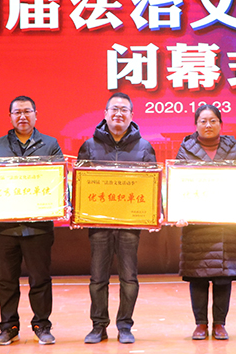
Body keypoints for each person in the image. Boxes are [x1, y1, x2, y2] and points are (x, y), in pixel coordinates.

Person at [0, 96, 63, 346]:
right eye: (17, 112)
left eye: (27, 111)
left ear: (36, 114)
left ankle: (42, 326)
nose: (22, 116)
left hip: (39, 228)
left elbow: (59, 181)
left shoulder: (50, 144)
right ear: (10, 116)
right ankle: (8, 327)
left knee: (40, 280)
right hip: (5, 229)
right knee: (6, 281)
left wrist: (61, 204)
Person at [77, 92, 157, 344]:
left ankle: (125, 326)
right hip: (98, 224)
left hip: (130, 224)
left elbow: (152, 186)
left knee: (129, 278)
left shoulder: (144, 147)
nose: (118, 114)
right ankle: (98, 326)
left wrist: (154, 213)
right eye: (114, 109)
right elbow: (80, 185)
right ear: (105, 114)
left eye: (124, 109)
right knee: (97, 278)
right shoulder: (89, 146)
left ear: (132, 115)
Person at [174, 104, 236, 341]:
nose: (208, 125)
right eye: (203, 121)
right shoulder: (185, 150)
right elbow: (178, 186)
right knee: (198, 275)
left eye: (213, 120)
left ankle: (220, 324)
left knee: (224, 276)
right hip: (196, 226)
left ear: (220, 124)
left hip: (226, 225)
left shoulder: (233, 149)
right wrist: (178, 213)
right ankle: (201, 324)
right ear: (196, 125)